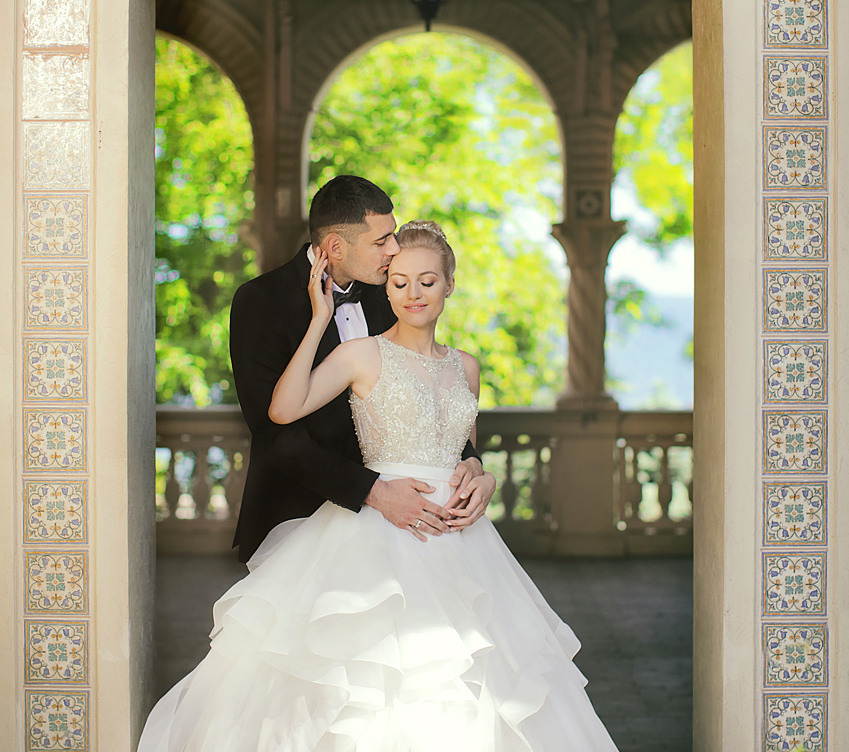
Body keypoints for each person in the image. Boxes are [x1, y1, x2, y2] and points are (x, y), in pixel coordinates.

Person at [139, 221, 620, 752]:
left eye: (427, 282)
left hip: (462, 545)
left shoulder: (467, 367)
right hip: (379, 533)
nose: (413, 294)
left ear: (449, 284)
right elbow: (282, 409)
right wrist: (319, 320)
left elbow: (462, 448)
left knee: (481, 682)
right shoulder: (362, 354)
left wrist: (482, 475)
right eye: (399, 282)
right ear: (385, 288)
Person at [228, 174, 490, 562]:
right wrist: (375, 492)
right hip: (297, 516)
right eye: (381, 241)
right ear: (335, 246)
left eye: (393, 235)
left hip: (405, 523)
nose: (395, 248)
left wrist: (474, 464)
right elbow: (275, 433)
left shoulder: (392, 290)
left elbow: (429, 392)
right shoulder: (260, 300)